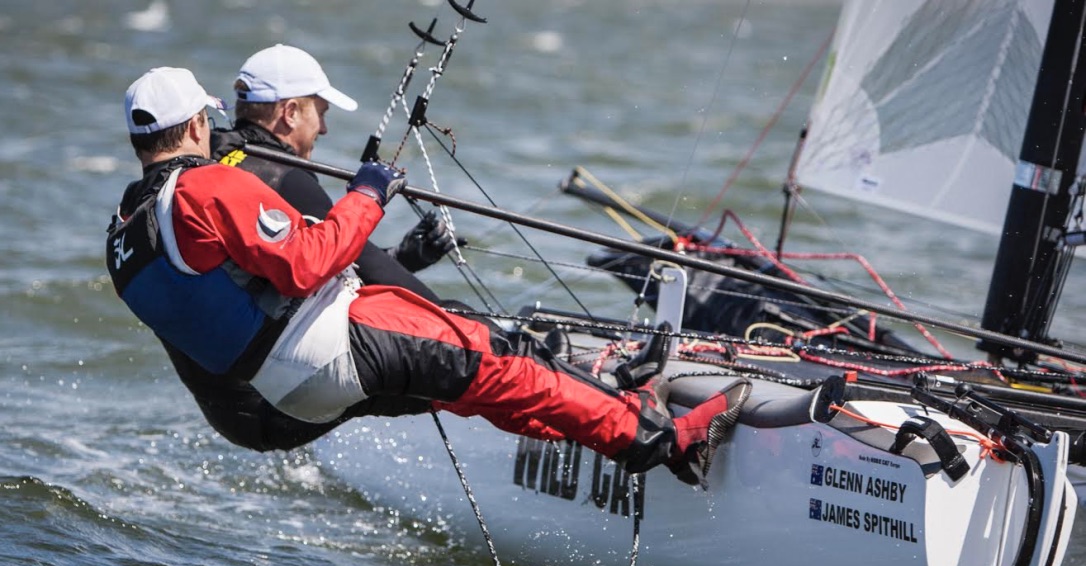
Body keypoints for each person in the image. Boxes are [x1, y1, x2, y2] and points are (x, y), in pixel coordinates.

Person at [106, 66, 747, 486]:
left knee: (477, 390)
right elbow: (306, 263)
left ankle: (612, 415)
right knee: (504, 367)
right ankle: (662, 441)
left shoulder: (123, 231)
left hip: (284, 390)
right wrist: (368, 193)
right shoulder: (205, 186)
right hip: (334, 343)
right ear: (194, 125)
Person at [165, 45, 459, 452]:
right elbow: (366, 268)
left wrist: (408, 257)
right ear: (289, 113)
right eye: (320, 112)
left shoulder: (214, 158)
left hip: (233, 409)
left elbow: (322, 265)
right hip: (274, 407)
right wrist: (470, 329)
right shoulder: (283, 177)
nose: (324, 129)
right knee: (450, 351)